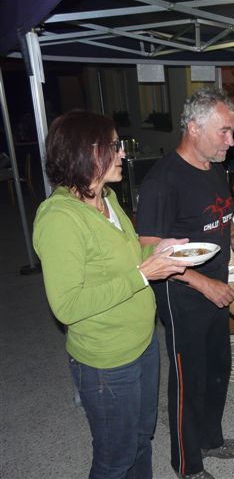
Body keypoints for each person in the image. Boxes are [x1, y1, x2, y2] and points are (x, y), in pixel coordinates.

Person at [32, 110, 190, 479]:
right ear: (86, 151)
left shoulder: (108, 199)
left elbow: (127, 257)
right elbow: (67, 305)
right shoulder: (59, 219)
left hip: (142, 344)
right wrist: (143, 274)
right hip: (106, 362)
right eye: (114, 146)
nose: (122, 153)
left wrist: (157, 251)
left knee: (141, 439)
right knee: (115, 459)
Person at [135, 88, 234, 479]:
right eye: (224, 131)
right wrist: (203, 284)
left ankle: (209, 439)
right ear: (194, 128)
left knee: (218, 367)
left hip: (217, 286)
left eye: (232, 132)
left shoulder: (214, 167)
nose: (231, 142)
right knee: (188, 378)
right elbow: (150, 251)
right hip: (182, 292)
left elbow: (221, 215)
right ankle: (187, 465)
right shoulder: (162, 181)